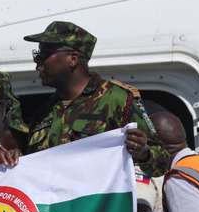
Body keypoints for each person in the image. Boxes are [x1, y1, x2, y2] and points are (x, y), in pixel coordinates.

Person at [23, 20, 168, 174]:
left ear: (72, 59)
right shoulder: (44, 113)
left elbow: (162, 164)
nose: (38, 64)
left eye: (44, 55)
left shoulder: (117, 100)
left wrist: (144, 153)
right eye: (37, 55)